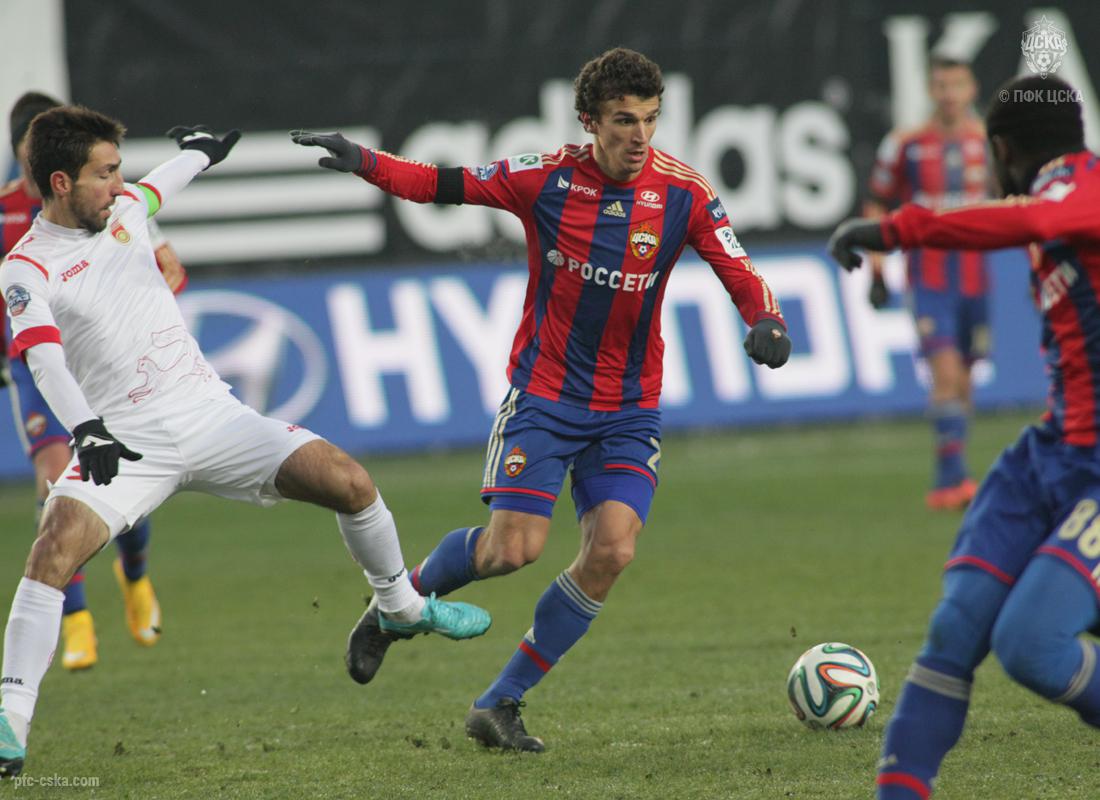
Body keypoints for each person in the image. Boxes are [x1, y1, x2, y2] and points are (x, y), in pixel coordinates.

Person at [293, 46, 791, 752]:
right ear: (590, 121)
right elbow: (441, 184)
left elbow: (738, 266)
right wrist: (365, 161)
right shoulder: (545, 178)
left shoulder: (683, 192)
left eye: (650, 119)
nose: (640, 136)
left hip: (629, 408)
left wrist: (766, 319)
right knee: (511, 551)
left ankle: (500, 702)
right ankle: (391, 608)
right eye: (623, 120)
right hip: (546, 398)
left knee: (613, 551)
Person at [0, 106, 492, 779]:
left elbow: (161, 184)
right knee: (52, 549)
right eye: (105, 173)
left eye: (119, 170)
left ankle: (400, 607)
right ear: (61, 183)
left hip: (212, 417)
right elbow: (43, 359)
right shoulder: (26, 267)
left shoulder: (125, 208)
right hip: (125, 441)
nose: (121, 184)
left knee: (350, 482)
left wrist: (202, 153)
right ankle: (11, 721)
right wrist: (85, 428)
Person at [829, 74, 1100, 799]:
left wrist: (898, 230)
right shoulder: (1058, 195)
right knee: (955, 628)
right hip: (1052, 456)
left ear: (1002, 150)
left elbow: (1032, 218)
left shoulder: (1084, 190)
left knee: (1030, 645)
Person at [2, 92, 177, 671]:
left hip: (100, 364)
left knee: (121, 484)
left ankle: (135, 573)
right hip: (35, 366)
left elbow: (165, 266)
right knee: (57, 485)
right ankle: (76, 622)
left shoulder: (104, 207)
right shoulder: (5, 215)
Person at [863, 57, 992, 511]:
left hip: (977, 277)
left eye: (956, 85)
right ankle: (950, 482)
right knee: (946, 372)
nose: (949, 94)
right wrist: (877, 268)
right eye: (940, 85)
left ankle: (954, 471)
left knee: (966, 380)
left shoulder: (988, 143)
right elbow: (876, 203)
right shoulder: (905, 145)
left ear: (971, 89)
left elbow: (1014, 204)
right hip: (929, 277)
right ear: (930, 91)